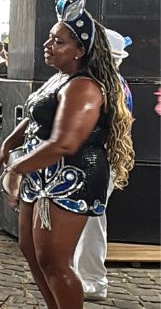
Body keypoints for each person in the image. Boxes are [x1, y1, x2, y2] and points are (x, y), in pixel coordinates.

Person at [0, 0, 134, 308]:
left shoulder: (84, 87)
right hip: (41, 174)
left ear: (80, 51)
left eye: (58, 41)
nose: (48, 44)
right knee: (34, 254)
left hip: (71, 179)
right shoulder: (59, 79)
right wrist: (9, 145)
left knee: (56, 263)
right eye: (50, 37)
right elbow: (38, 117)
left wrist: (16, 167)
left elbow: (65, 142)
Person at [73, 28, 133, 301]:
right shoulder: (113, 82)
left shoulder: (109, 85)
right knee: (87, 222)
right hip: (101, 158)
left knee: (91, 223)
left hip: (98, 160)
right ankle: (83, 277)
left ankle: (93, 282)